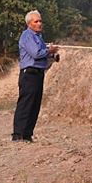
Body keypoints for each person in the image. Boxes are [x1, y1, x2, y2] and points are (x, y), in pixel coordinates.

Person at [12, 10, 59, 142]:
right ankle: (18, 134)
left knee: (35, 104)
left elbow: (43, 53)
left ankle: (27, 134)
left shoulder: (38, 37)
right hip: (29, 73)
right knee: (26, 103)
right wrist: (49, 50)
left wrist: (52, 55)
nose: (39, 24)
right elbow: (36, 53)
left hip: (38, 73)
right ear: (29, 23)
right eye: (36, 21)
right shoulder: (27, 36)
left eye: (40, 21)